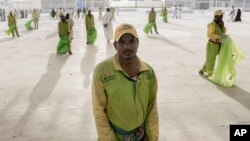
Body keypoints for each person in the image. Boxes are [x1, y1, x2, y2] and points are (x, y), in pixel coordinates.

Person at [92, 23, 159, 141]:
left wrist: (150, 136)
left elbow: (151, 106)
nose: (127, 46)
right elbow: (99, 110)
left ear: (138, 43)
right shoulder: (102, 71)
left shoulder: (148, 72)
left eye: (131, 41)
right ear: (115, 45)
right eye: (122, 42)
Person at [199, 10, 227, 77]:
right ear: (216, 16)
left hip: (219, 44)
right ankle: (210, 74)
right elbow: (209, 35)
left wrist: (222, 26)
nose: (222, 17)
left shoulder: (219, 24)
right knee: (211, 59)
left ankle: (202, 70)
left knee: (210, 58)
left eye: (222, 15)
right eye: (220, 16)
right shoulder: (211, 25)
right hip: (212, 44)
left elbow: (223, 32)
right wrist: (219, 36)